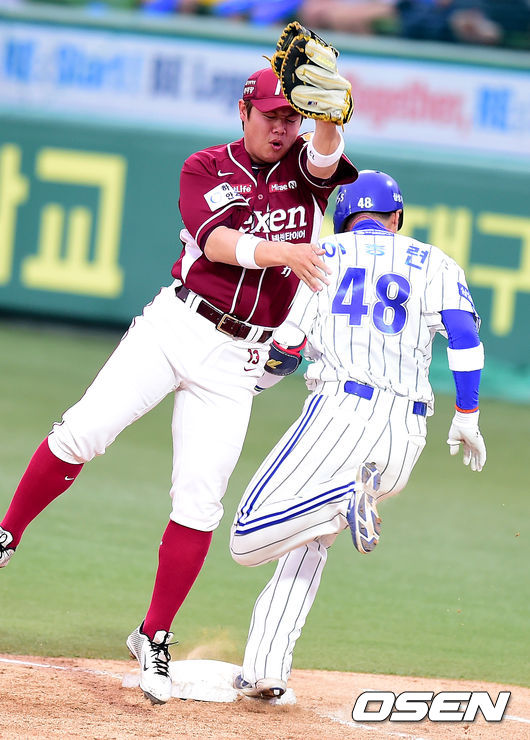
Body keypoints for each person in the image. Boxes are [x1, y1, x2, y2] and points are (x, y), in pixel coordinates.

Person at [0, 64, 357, 704]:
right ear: (244, 112)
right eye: (271, 115)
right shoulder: (204, 166)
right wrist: (285, 253)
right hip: (177, 327)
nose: (281, 127)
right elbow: (217, 243)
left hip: (239, 358)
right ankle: (6, 535)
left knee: (199, 502)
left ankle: (153, 635)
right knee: (84, 431)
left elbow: (328, 156)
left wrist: (330, 114)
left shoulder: (305, 170)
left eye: (291, 117)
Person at [229, 169, 486, 699]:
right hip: (407, 433)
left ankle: (345, 498)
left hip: (340, 414)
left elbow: (285, 352)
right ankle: (265, 669)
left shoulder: (321, 254)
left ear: (343, 215)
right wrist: (468, 414)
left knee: (247, 537)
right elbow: (463, 335)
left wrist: (244, 387)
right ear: (397, 218)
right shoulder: (436, 261)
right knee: (310, 536)